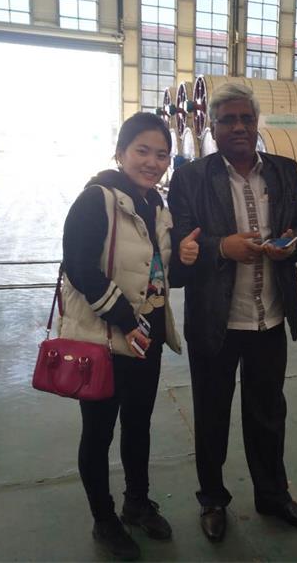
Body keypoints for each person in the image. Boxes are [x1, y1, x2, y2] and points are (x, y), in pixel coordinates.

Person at [168, 83, 297, 543]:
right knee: (212, 415)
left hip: (268, 318)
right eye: (228, 120)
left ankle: (272, 496)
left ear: (256, 125)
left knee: (268, 414)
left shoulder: (284, 170)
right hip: (215, 321)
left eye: (246, 119)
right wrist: (223, 248)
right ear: (212, 127)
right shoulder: (190, 178)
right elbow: (179, 245)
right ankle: (213, 500)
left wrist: (292, 245)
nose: (238, 127)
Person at [60, 112, 182, 561]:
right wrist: (125, 319)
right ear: (120, 153)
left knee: (138, 423)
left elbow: (159, 270)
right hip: (103, 338)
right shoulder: (96, 199)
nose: (152, 162)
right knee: (98, 432)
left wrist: (185, 256)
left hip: (145, 338)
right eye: (142, 151)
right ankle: (104, 519)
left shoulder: (157, 205)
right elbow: (79, 267)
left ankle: (137, 502)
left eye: (161, 154)